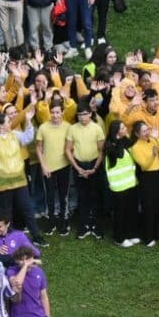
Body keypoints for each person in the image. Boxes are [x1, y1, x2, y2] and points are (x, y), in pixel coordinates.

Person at [0, 105, 44, 244]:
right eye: (7, 122)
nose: (10, 123)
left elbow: (27, 138)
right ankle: (10, 240)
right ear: (1, 126)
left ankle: (36, 236)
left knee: (27, 208)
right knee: (7, 213)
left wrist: (28, 120)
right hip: (2, 184)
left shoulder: (14, 135)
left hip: (19, 181)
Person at [65, 102, 105, 239]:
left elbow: (101, 151)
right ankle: (84, 225)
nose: (82, 117)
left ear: (90, 114)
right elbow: (67, 150)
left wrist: (94, 168)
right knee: (82, 196)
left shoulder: (97, 128)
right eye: (80, 114)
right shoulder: (72, 129)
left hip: (94, 164)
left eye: (85, 114)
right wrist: (77, 168)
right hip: (79, 165)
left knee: (94, 195)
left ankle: (95, 225)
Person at [35, 97, 72, 236]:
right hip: (48, 167)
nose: (55, 115)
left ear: (62, 112)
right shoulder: (43, 127)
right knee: (49, 195)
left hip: (64, 166)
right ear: (49, 113)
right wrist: (43, 166)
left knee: (63, 195)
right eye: (53, 112)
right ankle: (51, 220)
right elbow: (38, 148)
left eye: (58, 112)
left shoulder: (68, 127)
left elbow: (70, 146)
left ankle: (63, 219)